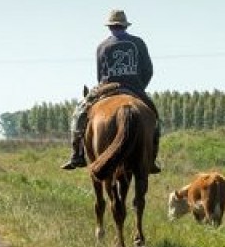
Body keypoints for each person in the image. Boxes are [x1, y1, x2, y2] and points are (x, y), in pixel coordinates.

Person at [61, 9, 161, 172]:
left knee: (79, 114)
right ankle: (152, 158)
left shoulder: (102, 46)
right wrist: (139, 87)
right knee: (155, 119)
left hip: (108, 87)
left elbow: (100, 76)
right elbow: (148, 70)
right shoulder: (138, 43)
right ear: (125, 26)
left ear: (110, 27)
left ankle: (77, 154)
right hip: (134, 87)